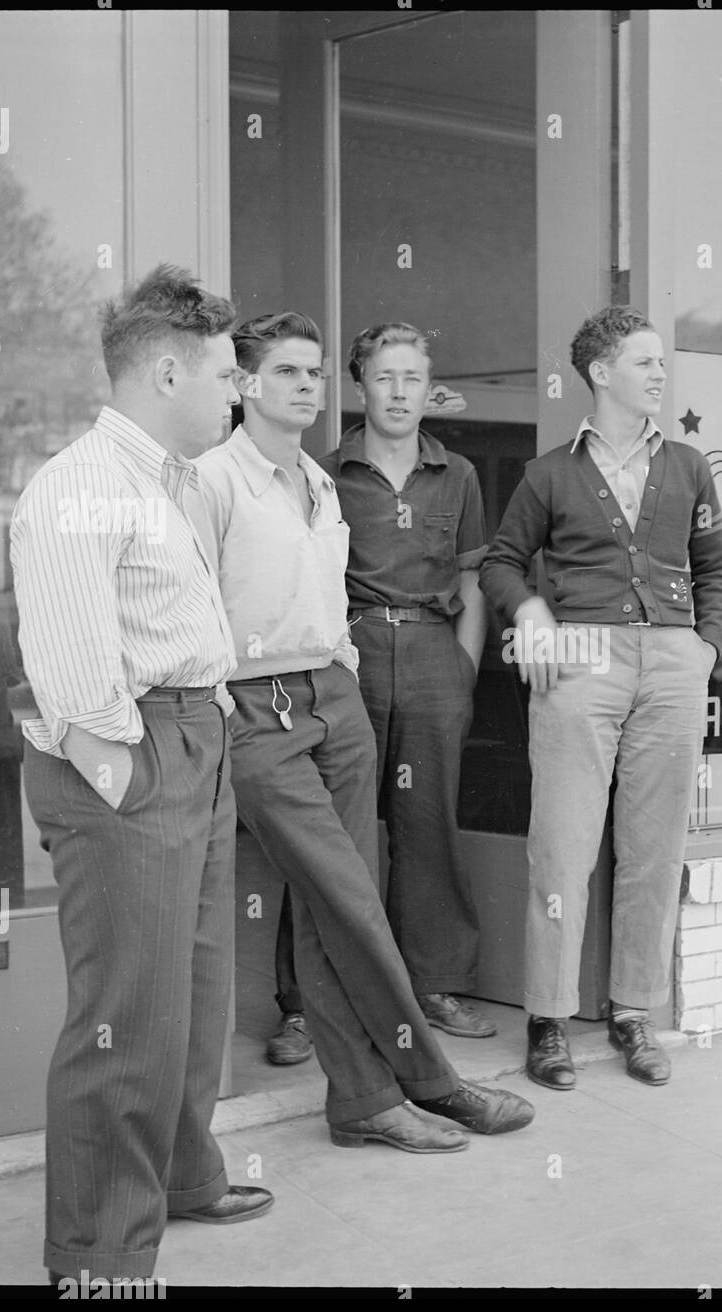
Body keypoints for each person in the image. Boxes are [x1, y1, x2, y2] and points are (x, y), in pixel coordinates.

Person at [195, 310, 533, 1153]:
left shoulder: (311, 480)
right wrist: (224, 694)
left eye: (313, 372)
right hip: (259, 705)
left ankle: (358, 1100)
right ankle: (431, 1079)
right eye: (286, 372)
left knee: (326, 904)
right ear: (242, 384)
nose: (305, 386)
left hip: (332, 694)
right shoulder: (209, 481)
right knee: (347, 892)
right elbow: (187, 601)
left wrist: (345, 667)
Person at [10, 264, 274, 1290]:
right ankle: (100, 1256)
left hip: (192, 745)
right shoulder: (81, 483)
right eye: (223, 373)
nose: (235, 393)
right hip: (135, 755)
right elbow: (75, 681)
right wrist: (127, 776)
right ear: (166, 370)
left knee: (196, 993)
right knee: (127, 1013)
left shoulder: (164, 481)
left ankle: (180, 1172)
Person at [480, 305, 722, 1090]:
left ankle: (632, 1010)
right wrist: (529, 611)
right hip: (581, 658)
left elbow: (717, 565)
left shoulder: (688, 465)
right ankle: (550, 1019)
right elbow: (502, 560)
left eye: (662, 362)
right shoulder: (551, 473)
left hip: (671, 661)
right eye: (645, 362)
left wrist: (705, 646)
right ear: (600, 372)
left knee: (655, 848)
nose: (661, 374)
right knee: (561, 844)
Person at [316, 322, 493, 1040]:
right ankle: (313, 1001)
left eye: (411, 377)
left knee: (427, 829)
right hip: (352, 651)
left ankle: (436, 985)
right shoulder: (325, 473)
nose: (397, 391)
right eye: (384, 377)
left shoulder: (458, 474)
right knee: (333, 832)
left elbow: (476, 574)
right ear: (361, 385)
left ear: (429, 388)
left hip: (430, 651)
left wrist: (464, 663)